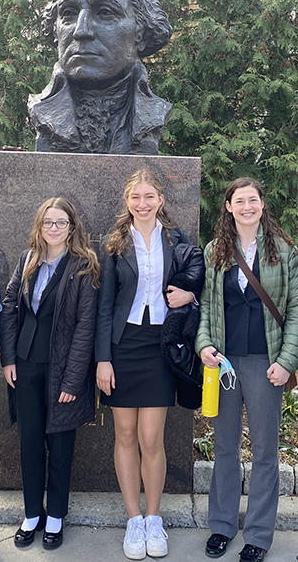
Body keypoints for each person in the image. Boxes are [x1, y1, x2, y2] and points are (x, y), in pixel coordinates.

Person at [196, 178, 298, 562]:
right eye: (239, 201)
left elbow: (297, 311)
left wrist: (287, 362)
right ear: (228, 206)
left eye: (253, 200)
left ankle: (258, 534)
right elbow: (208, 308)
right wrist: (204, 345)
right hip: (224, 364)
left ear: (262, 205)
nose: (247, 206)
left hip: (266, 364)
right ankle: (222, 527)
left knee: (264, 453)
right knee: (225, 447)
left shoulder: (285, 251)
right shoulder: (215, 251)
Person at [96, 169, 202, 559]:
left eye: (149, 196)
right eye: (135, 197)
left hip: (161, 345)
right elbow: (104, 306)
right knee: (124, 435)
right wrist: (102, 359)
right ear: (127, 202)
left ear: (160, 200)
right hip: (123, 346)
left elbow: (195, 285)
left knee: (151, 438)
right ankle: (133, 519)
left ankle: (154, 519)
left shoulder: (176, 240)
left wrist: (187, 297)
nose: (143, 203)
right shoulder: (114, 243)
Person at [0, 198, 100, 550]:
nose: (53, 228)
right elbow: (10, 307)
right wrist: (8, 359)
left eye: (60, 222)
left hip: (62, 368)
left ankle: (55, 515)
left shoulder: (83, 266)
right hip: (25, 365)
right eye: (47, 222)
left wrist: (74, 380)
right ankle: (31, 514)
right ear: (39, 226)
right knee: (29, 441)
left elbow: (86, 327)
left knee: (59, 443)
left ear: (72, 228)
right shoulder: (28, 261)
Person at [29, 0, 173, 155]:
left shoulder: (153, 112)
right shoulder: (41, 111)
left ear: (140, 30)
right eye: (68, 13)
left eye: (105, 12)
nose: (81, 31)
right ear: (55, 28)